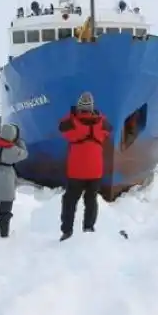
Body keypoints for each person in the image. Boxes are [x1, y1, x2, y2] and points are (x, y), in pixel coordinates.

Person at [57, 92, 112, 241]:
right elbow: (109, 129)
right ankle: (88, 228)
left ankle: (67, 230)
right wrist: (98, 115)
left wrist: (73, 113)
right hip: (95, 171)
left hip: (76, 171)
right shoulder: (101, 123)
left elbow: (61, 126)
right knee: (91, 200)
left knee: (70, 201)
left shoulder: (73, 122)